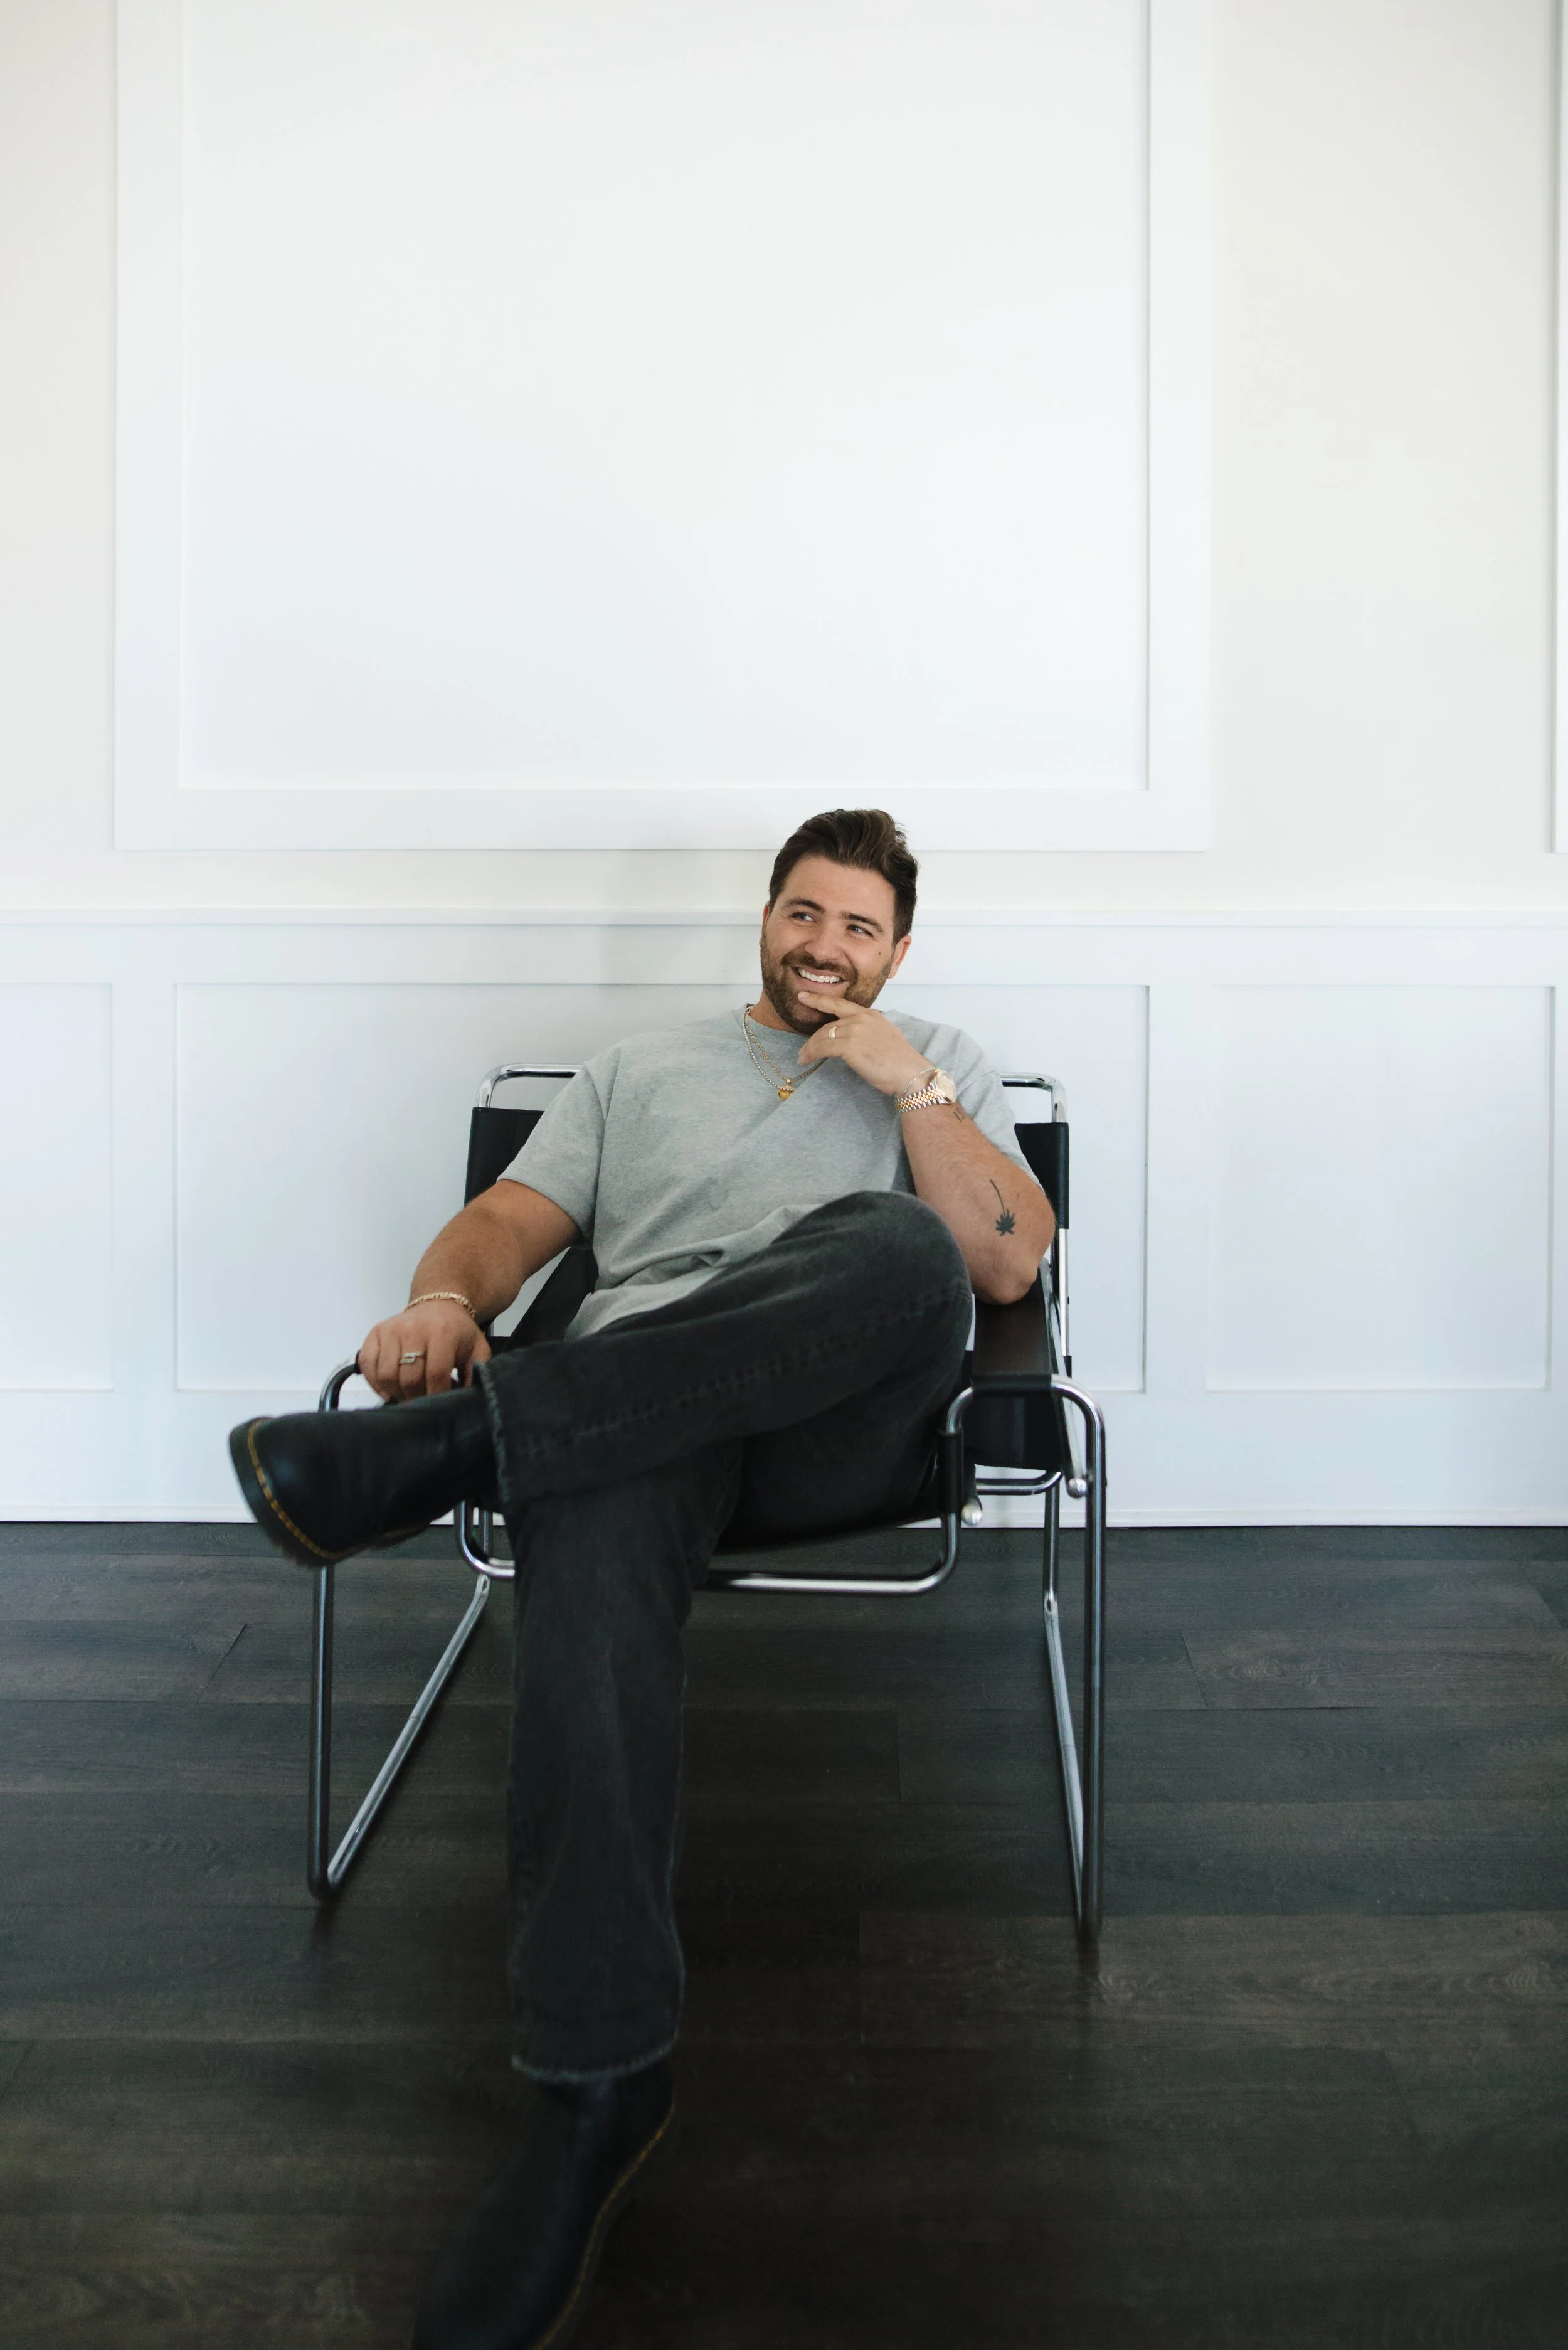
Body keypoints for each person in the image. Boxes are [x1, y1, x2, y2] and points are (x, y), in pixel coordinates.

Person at [228, 807, 1054, 2350]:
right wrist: (431, 1299)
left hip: (834, 1427)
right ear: (763, 918)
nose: (824, 945)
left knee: (894, 1246)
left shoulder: (938, 1059)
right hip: (633, 1414)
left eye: (858, 928)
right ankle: (594, 2087)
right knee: (596, 1497)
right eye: (803, 913)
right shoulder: (631, 1075)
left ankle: (444, 1458)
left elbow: (1000, 1265)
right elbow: (505, 1228)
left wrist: (910, 1085)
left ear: (898, 952)